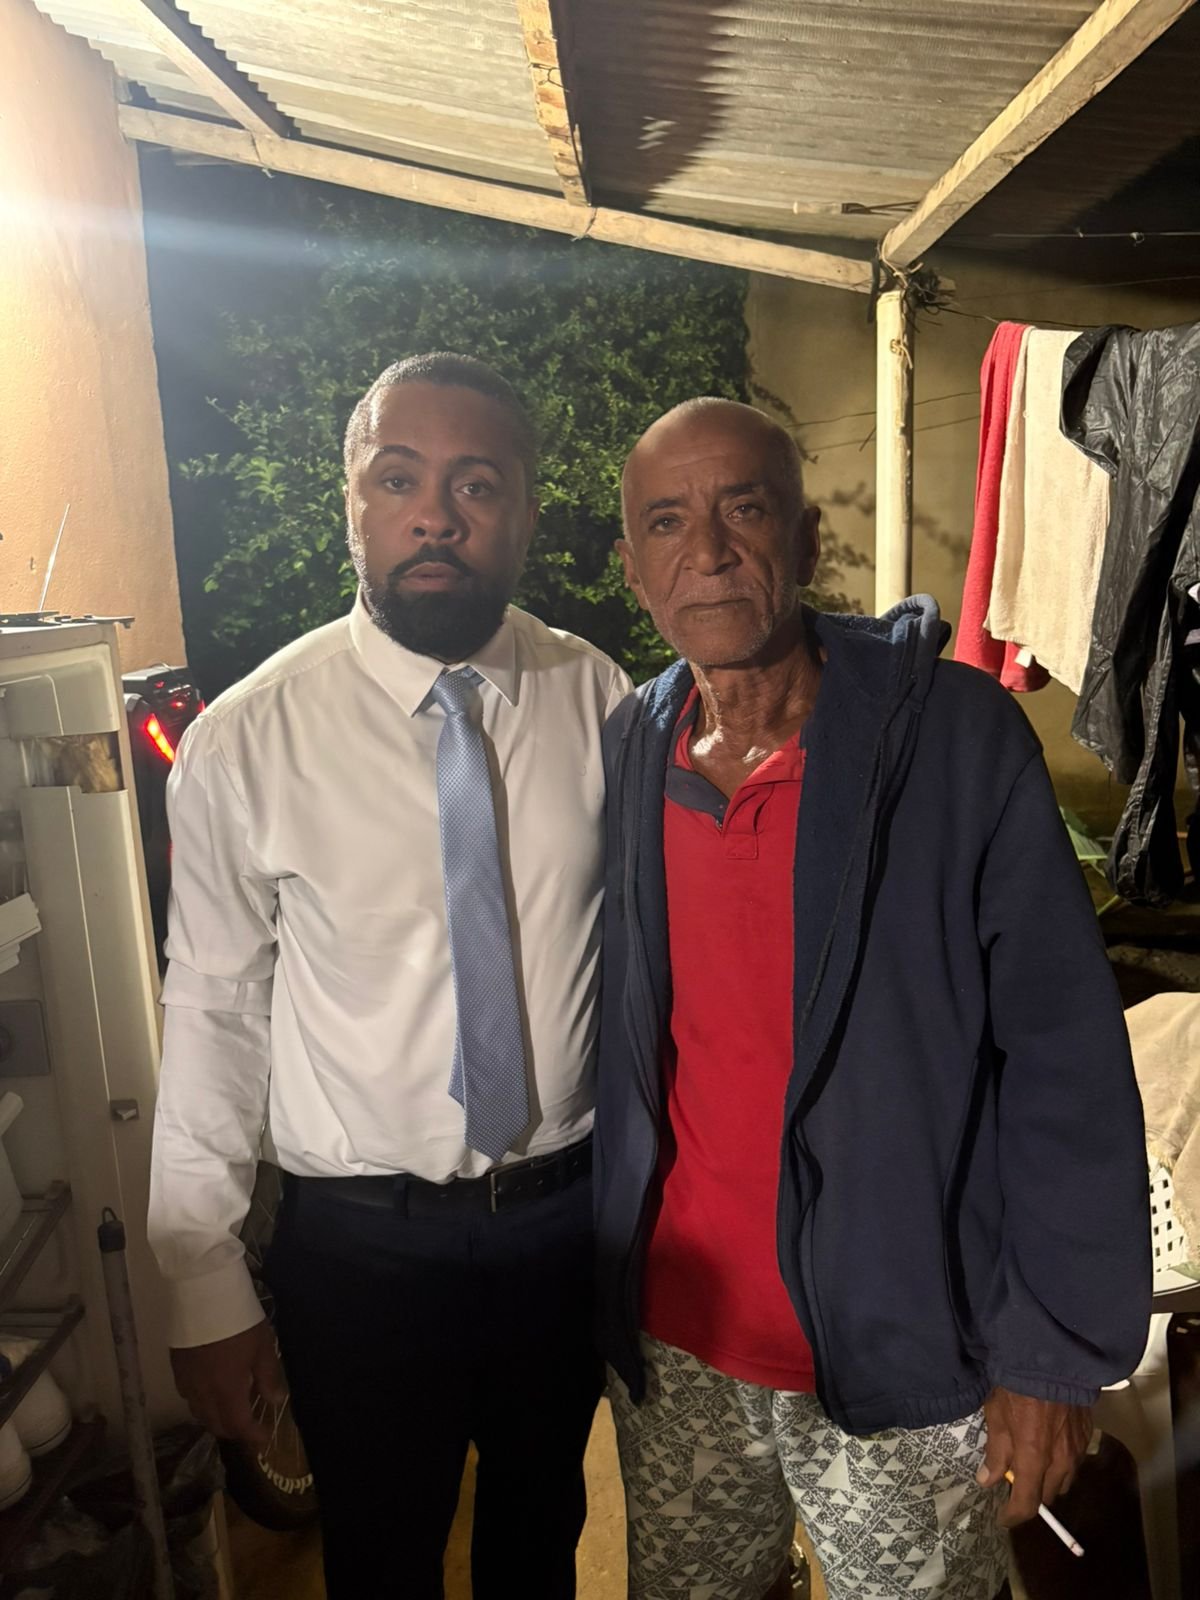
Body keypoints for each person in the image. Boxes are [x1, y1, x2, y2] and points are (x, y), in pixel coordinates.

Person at [593, 397, 1151, 1600]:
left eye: (744, 508)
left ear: (804, 537)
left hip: (903, 1347)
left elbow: (1062, 1057)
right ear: (632, 566)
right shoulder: (630, 749)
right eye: (667, 522)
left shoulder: (953, 742)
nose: (708, 550)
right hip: (681, 1348)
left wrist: (1050, 1352)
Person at [148, 353, 631, 1599]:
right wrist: (201, 1279)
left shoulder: (599, 701)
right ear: (351, 503)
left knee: (541, 1543)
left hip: (562, 1230)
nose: (436, 515)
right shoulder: (249, 739)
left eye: (476, 483)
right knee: (378, 1560)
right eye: (399, 478)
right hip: (359, 1254)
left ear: (524, 511)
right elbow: (212, 1010)